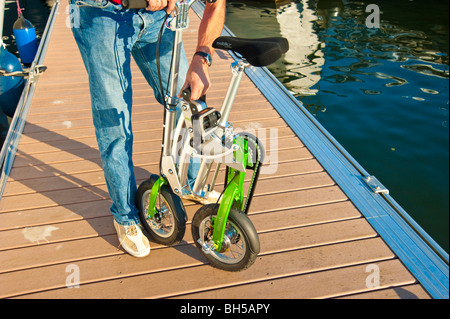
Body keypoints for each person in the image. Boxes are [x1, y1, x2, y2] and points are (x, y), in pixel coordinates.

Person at [69, 0, 226, 257]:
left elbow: (216, 5)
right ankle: (125, 215)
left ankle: (189, 182)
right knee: (115, 121)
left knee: (189, 101)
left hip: (155, 18)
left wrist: (202, 58)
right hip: (101, 14)